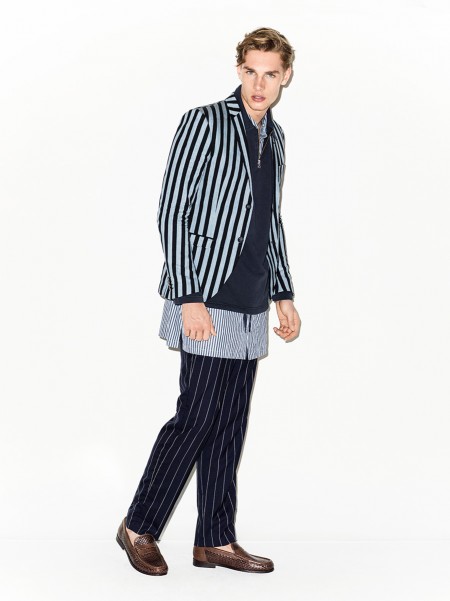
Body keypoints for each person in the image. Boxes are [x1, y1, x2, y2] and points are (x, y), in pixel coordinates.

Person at [116, 26, 301, 576]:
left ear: (286, 76)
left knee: (230, 423)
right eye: (250, 72)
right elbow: (172, 210)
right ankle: (138, 526)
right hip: (205, 294)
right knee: (196, 417)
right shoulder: (204, 121)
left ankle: (215, 539)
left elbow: (270, 221)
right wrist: (188, 296)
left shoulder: (276, 138)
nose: (259, 84)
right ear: (238, 70)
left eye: (270, 74)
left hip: (251, 299)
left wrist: (283, 292)